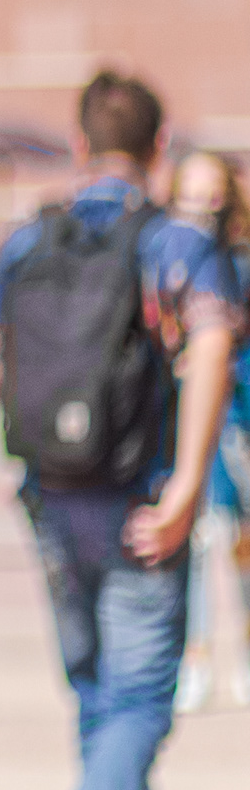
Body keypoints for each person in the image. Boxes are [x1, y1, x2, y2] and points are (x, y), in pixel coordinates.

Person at [0, 69, 239, 790]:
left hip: (53, 499)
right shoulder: (173, 241)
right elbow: (212, 344)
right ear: (160, 147)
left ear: (82, 142)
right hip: (140, 501)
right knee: (139, 701)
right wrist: (188, 485)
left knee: (97, 695)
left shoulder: (24, 246)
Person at [171, 149, 250, 713]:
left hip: (241, 416)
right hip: (184, 423)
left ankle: (244, 650)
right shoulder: (160, 262)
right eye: (191, 200)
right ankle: (193, 656)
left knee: (243, 542)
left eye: (213, 201)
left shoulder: (240, 266)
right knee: (194, 541)